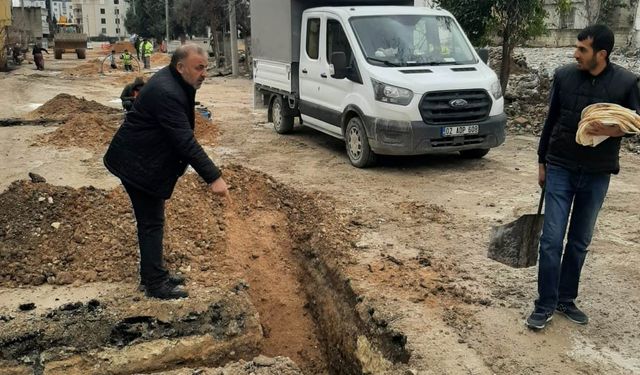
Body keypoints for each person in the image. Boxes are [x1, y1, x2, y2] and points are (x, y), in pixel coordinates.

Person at [526, 25, 640, 330]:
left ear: (600, 54)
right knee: (551, 240)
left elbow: (635, 121)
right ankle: (545, 304)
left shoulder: (626, 82)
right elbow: (550, 121)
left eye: (582, 50)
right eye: (576, 48)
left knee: (578, 241)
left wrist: (612, 130)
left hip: (597, 172)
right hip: (560, 166)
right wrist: (541, 162)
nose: (575, 54)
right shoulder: (564, 77)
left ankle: (565, 298)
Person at [104, 44, 229, 300]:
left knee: (152, 221)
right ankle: (155, 283)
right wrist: (214, 177)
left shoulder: (175, 81)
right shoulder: (167, 92)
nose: (204, 73)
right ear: (181, 67)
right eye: (199, 68)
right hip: (135, 163)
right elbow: (184, 140)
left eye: (206, 67)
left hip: (142, 160)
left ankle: (153, 274)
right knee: (151, 223)